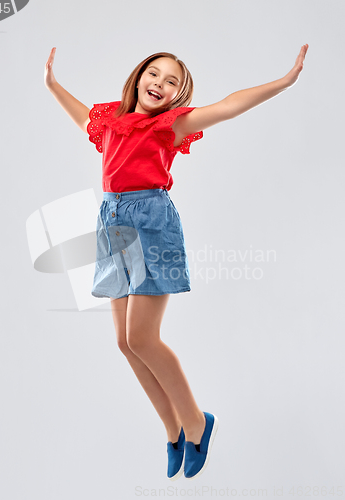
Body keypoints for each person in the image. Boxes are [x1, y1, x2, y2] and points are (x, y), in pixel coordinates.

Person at [44, 45, 309, 480]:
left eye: (172, 82)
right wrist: (53, 84)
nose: (160, 84)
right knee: (124, 342)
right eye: (154, 74)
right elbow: (81, 116)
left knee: (143, 337)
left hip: (150, 222)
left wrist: (283, 81)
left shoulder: (171, 126)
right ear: (138, 76)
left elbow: (228, 106)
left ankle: (198, 424)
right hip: (111, 223)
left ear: (177, 96)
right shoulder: (110, 121)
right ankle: (172, 431)